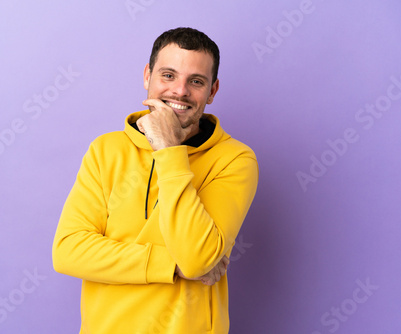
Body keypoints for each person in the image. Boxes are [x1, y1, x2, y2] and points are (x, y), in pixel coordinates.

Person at [52, 27, 258, 334]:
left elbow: (198, 258)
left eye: (196, 81)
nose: (180, 91)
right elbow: (68, 251)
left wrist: (168, 150)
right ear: (148, 76)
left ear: (212, 91)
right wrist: (171, 266)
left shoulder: (235, 160)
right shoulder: (105, 150)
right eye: (168, 75)